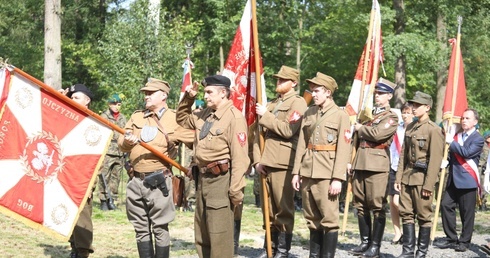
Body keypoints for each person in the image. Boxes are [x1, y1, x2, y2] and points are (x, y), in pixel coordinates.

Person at [118, 78, 194, 258]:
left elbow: (197, 141)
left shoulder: (175, 119)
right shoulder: (137, 116)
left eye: (151, 93)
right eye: (145, 93)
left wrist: (193, 164)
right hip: (135, 179)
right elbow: (121, 143)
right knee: (140, 228)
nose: (146, 96)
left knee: (160, 227)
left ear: (164, 95)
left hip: (159, 181)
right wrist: (127, 142)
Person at [176, 75, 250, 258]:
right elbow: (182, 118)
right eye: (205, 92)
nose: (206, 96)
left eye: (209, 92)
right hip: (202, 179)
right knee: (202, 234)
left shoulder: (234, 118)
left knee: (219, 237)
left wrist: (236, 191)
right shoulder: (205, 115)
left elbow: (240, 159)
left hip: (221, 182)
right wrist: (189, 97)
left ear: (223, 93)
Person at [291, 72, 350, 258]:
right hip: (308, 171)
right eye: (313, 91)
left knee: (329, 220)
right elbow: (302, 143)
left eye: (317, 91)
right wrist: (296, 172)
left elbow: (344, 149)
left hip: (327, 173)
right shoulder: (309, 113)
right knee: (312, 219)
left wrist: (337, 178)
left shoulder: (341, 115)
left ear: (327, 93)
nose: (313, 94)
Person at [253, 65, 307, 258]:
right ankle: (271, 246)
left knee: (283, 208)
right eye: (277, 79)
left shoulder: (298, 103)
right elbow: (257, 134)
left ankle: (283, 250)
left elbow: (288, 130)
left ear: (293, 83)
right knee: (268, 208)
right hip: (266, 161)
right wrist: (257, 160)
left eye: (283, 80)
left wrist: (265, 116)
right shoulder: (271, 104)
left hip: (283, 162)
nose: (278, 82)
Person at [349, 78, 398, 258]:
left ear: (389, 96)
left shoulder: (391, 117)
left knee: (377, 205)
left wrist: (360, 128)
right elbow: (355, 140)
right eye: (376, 93)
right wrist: (351, 160)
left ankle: (375, 246)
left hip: (377, 165)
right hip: (360, 162)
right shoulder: (367, 114)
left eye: (381, 93)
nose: (377, 96)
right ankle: (365, 242)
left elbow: (378, 135)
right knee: (360, 205)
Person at [394, 91, 444, 258]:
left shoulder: (434, 130)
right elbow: (403, 154)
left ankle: (421, 252)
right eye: (413, 105)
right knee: (406, 214)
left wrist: (429, 185)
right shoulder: (410, 127)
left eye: (417, 105)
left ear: (427, 107)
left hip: (423, 179)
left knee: (423, 216)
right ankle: (407, 251)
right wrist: (399, 177)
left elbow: (436, 160)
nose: (413, 108)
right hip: (408, 176)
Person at [435, 108, 484, 252]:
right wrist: (446, 160)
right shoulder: (457, 136)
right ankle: (451, 238)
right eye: (463, 118)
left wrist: (452, 143)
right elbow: (454, 155)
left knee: (466, 213)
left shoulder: (478, 139)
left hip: (467, 180)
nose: (463, 121)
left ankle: (464, 241)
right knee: (445, 205)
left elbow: (467, 153)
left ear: (475, 122)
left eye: (467, 118)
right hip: (453, 179)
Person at [63, 84, 96, 258]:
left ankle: (83, 250)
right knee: (69, 212)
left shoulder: (94, 122)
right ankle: (75, 247)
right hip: (67, 174)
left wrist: (91, 182)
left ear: (87, 101)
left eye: (76, 98)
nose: (72, 100)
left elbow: (96, 156)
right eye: (71, 98)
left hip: (84, 175)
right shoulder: (70, 117)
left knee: (82, 215)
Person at [388, 102, 413, 245]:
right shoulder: (397, 129)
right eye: (404, 112)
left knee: (400, 202)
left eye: (408, 112)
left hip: (407, 169)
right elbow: (392, 148)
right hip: (394, 166)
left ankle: (408, 229)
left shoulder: (415, 129)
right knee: (392, 201)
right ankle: (397, 232)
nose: (405, 115)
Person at [97, 93, 127, 211]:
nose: (116, 106)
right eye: (114, 104)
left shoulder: (123, 118)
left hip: (119, 151)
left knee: (116, 177)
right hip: (107, 150)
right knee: (104, 175)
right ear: (109, 104)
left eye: (119, 104)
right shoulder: (104, 116)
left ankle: (112, 199)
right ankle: (103, 200)